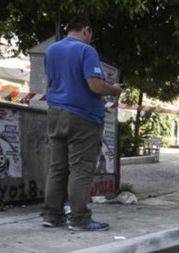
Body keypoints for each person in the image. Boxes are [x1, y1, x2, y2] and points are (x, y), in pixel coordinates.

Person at [40, 17, 122, 231]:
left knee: (57, 167)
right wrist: (114, 89)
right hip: (82, 117)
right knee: (81, 169)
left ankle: (51, 215)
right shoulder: (86, 51)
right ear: (86, 30)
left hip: (55, 112)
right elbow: (95, 85)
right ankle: (79, 219)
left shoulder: (51, 51)